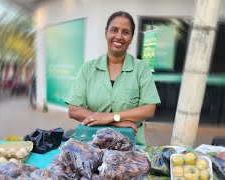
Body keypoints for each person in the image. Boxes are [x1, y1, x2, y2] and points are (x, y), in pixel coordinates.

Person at [65, 11, 160, 145]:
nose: (119, 36)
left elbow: (149, 109)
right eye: (114, 30)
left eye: (125, 32)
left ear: (132, 37)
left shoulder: (141, 69)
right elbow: (74, 110)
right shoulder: (88, 68)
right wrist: (117, 122)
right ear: (106, 33)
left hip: (130, 144)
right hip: (92, 143)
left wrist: (111, 117)